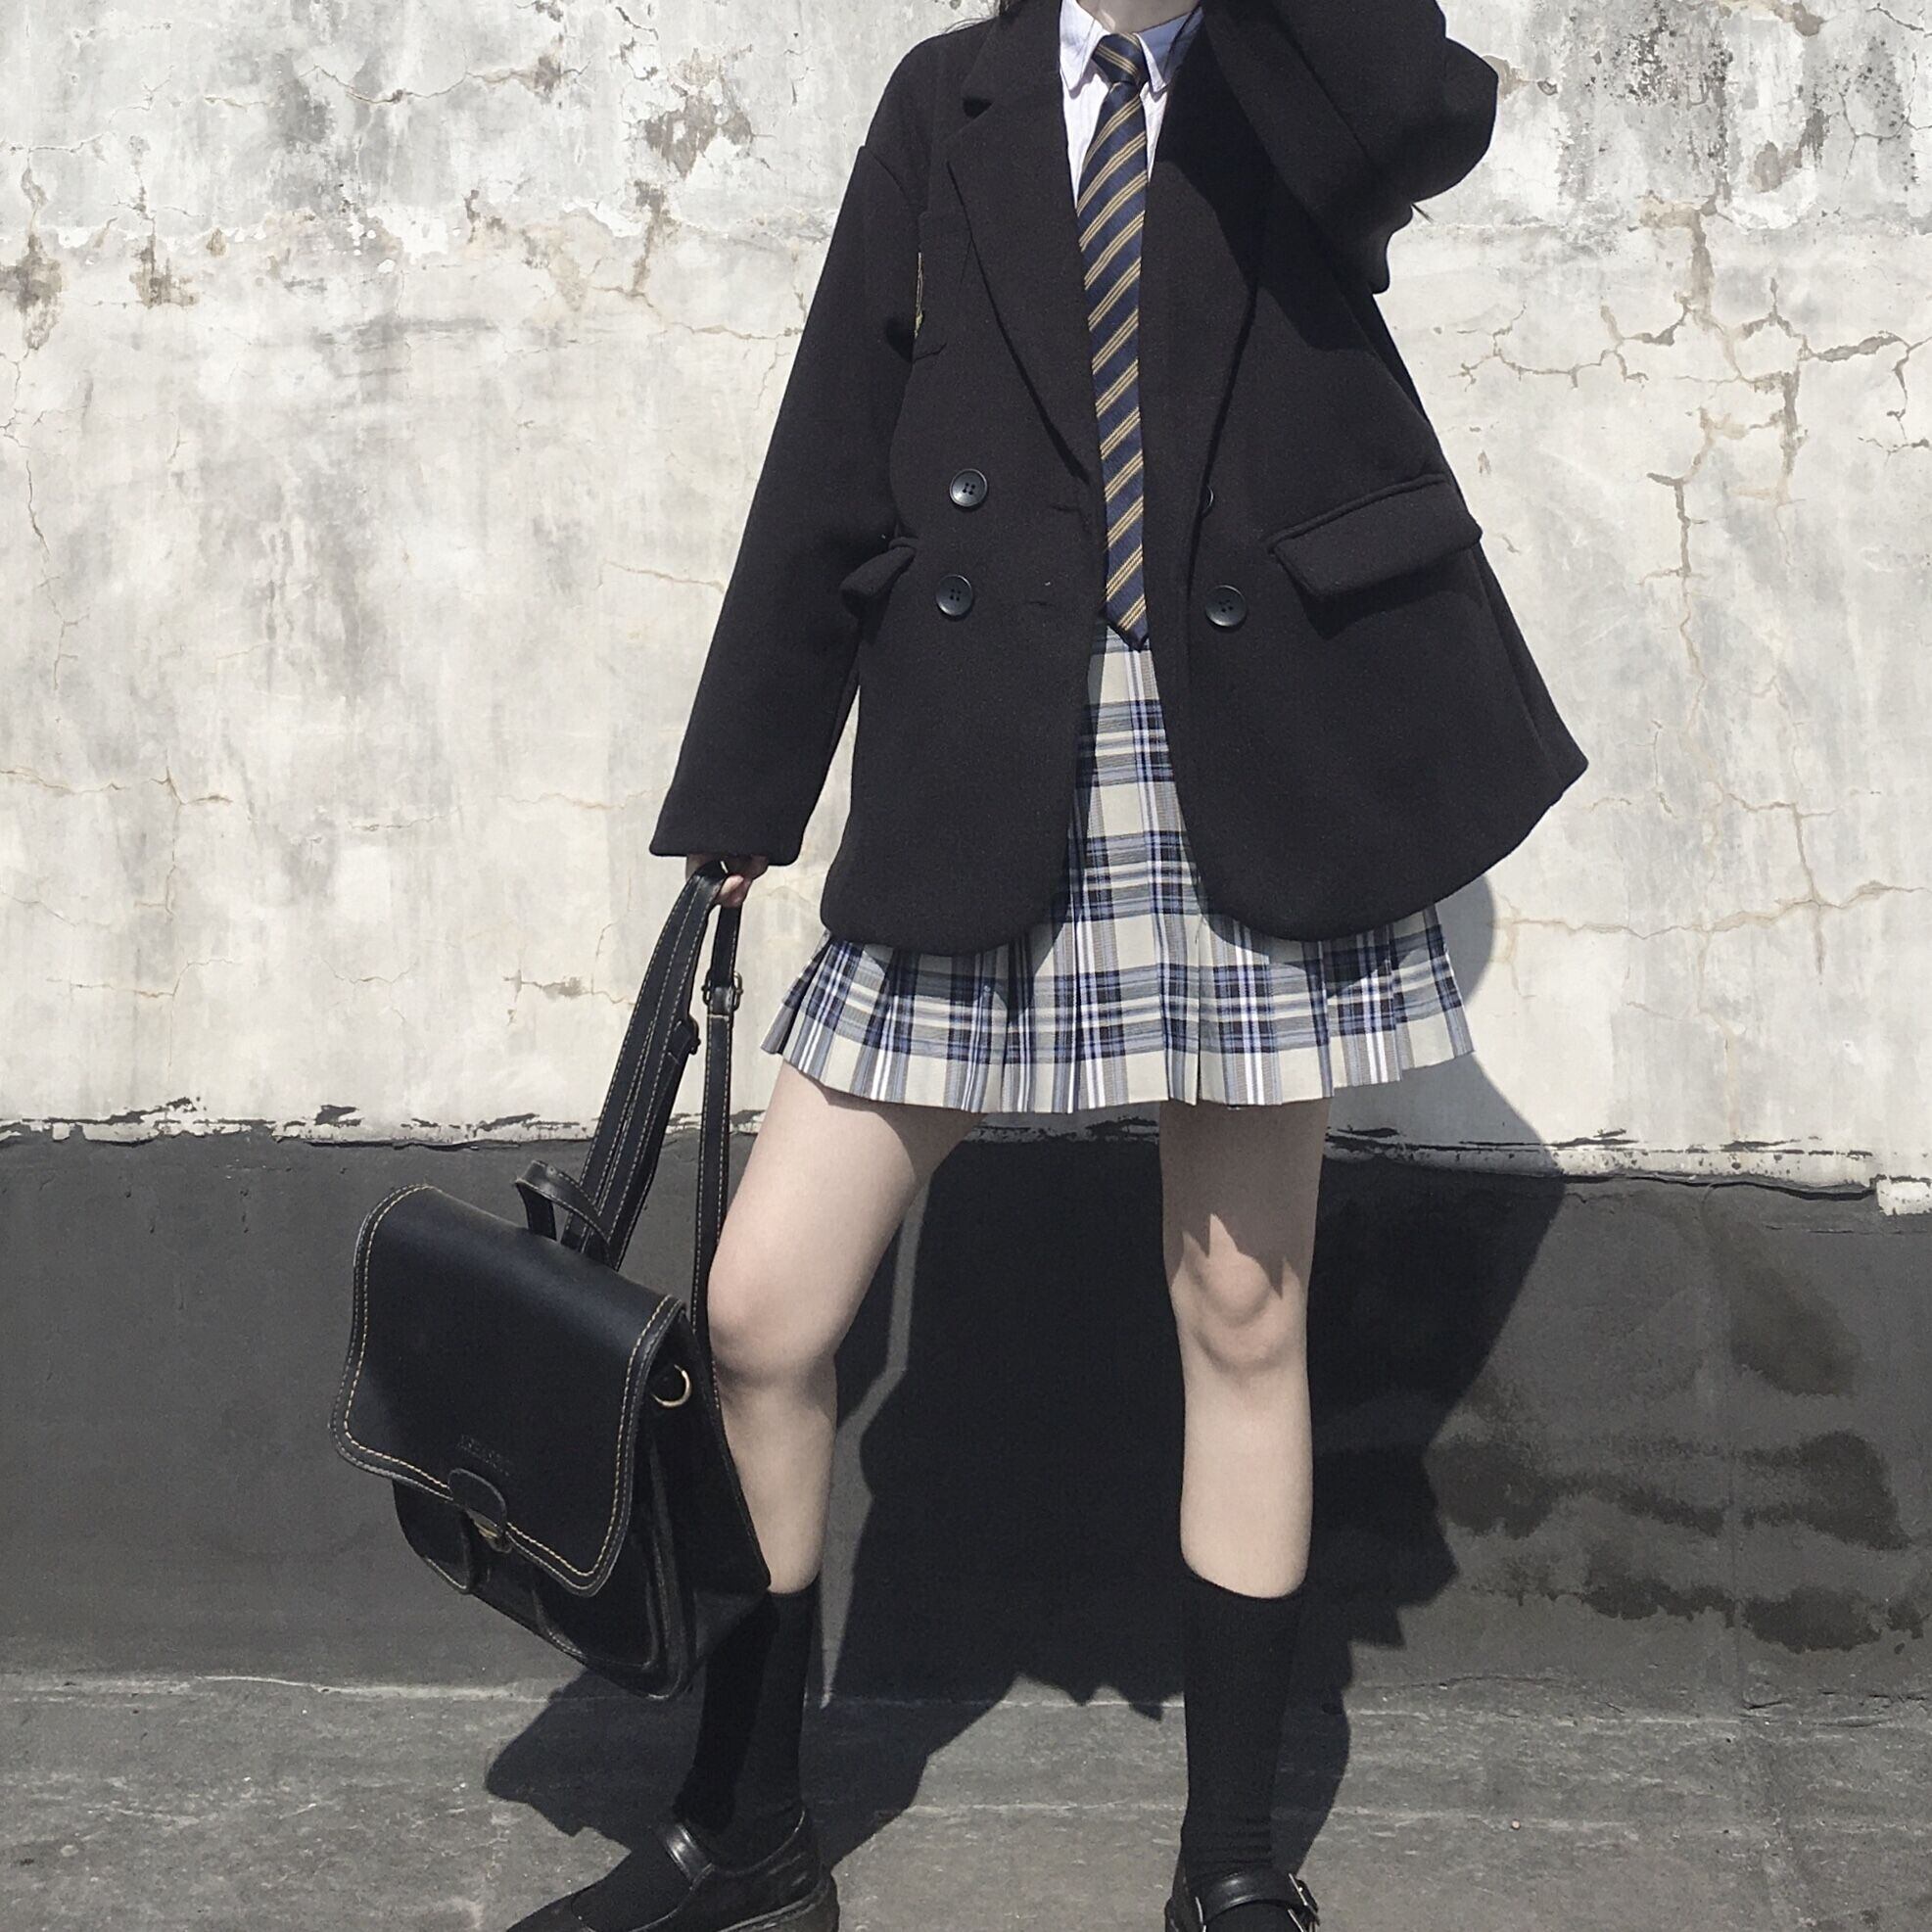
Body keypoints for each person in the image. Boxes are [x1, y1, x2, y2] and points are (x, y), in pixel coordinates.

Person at [516, 0, 1583, 1926]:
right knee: (759, 1310)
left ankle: (1229, 1869)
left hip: (1241, 768)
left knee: (1242, 1313)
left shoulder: (1290, 65)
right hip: (981, 765)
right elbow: (836, 440)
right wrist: (748, 787)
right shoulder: (952, 97)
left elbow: (1421, 119)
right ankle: (748, 1825)